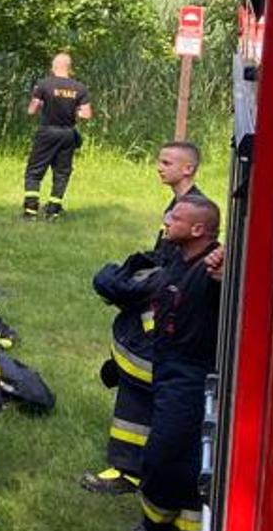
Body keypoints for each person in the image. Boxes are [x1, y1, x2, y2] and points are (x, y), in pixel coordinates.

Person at [81, 141, 205, 494]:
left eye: (167, 162)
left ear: (188, 169)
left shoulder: (192, 207)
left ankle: (128, 470)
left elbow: (171, 271)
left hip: (162, 324)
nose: (158, 167)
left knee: (137, 384)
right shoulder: (181, 203)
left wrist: (127, 288)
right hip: (159, 314)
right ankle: (131, 465)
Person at [131, 195, 222, 531]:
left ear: (198, 229)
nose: (167, 220)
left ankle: (156, 524)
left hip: (191, 373)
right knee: (183, 454)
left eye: (177, 217)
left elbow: (237, 278)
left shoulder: (213, 268)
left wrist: (228, 265)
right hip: (169, 367)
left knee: (165, 453)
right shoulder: (178, 260)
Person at [23, 52, 94, 220]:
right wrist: (74, 113)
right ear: (70, 68)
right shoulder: (79, 88)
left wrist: (38, 107)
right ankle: (53, 211)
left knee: (34, 171)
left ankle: (31, 211)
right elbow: (87, 114)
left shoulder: (44, 85)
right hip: (68, 134)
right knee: (62, 173)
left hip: (47, 132)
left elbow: (32, 110)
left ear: (54, 67)